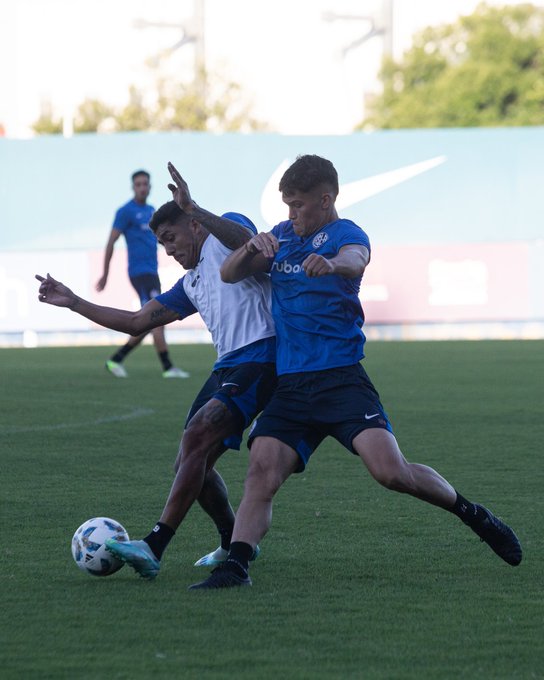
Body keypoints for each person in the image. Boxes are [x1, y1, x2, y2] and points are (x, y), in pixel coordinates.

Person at [188, 154, 522, 590]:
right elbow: (229, 275)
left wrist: (331, 265)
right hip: (291, 386)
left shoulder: (346, 233)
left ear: (325, 200)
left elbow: (356, 258)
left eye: (299, 205)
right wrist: (252, 246)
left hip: (342, 381)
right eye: (287, 205)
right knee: (261, 470)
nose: (291, 214)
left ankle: (472, 513)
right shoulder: (283, 237)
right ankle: (236, 568)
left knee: (391, 473)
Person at [36, 161, 277, 579]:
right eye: (162, 244)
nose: (168, 250)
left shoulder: (223, 234)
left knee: (198, 438)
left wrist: (195, 207)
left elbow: (250, 241)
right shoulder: (191, 283)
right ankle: (230, 540)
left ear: (194, 227)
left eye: (171, 238)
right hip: (228, 366)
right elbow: (136, 322)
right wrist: (74, 301)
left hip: (262, 357)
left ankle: (154, 545)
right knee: (191, 459)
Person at [96, 169, 189, 379]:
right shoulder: (125, 212)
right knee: (157, 315)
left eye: (145, 184)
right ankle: (167, 367)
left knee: (150, 318)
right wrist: (105, 273)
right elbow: (111, 241)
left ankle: (116, 359)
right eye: (138, 184)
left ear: (150, 186)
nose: (142, 188)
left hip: (152, 271)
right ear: (133, 187)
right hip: (139, 273)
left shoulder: (152, 211)